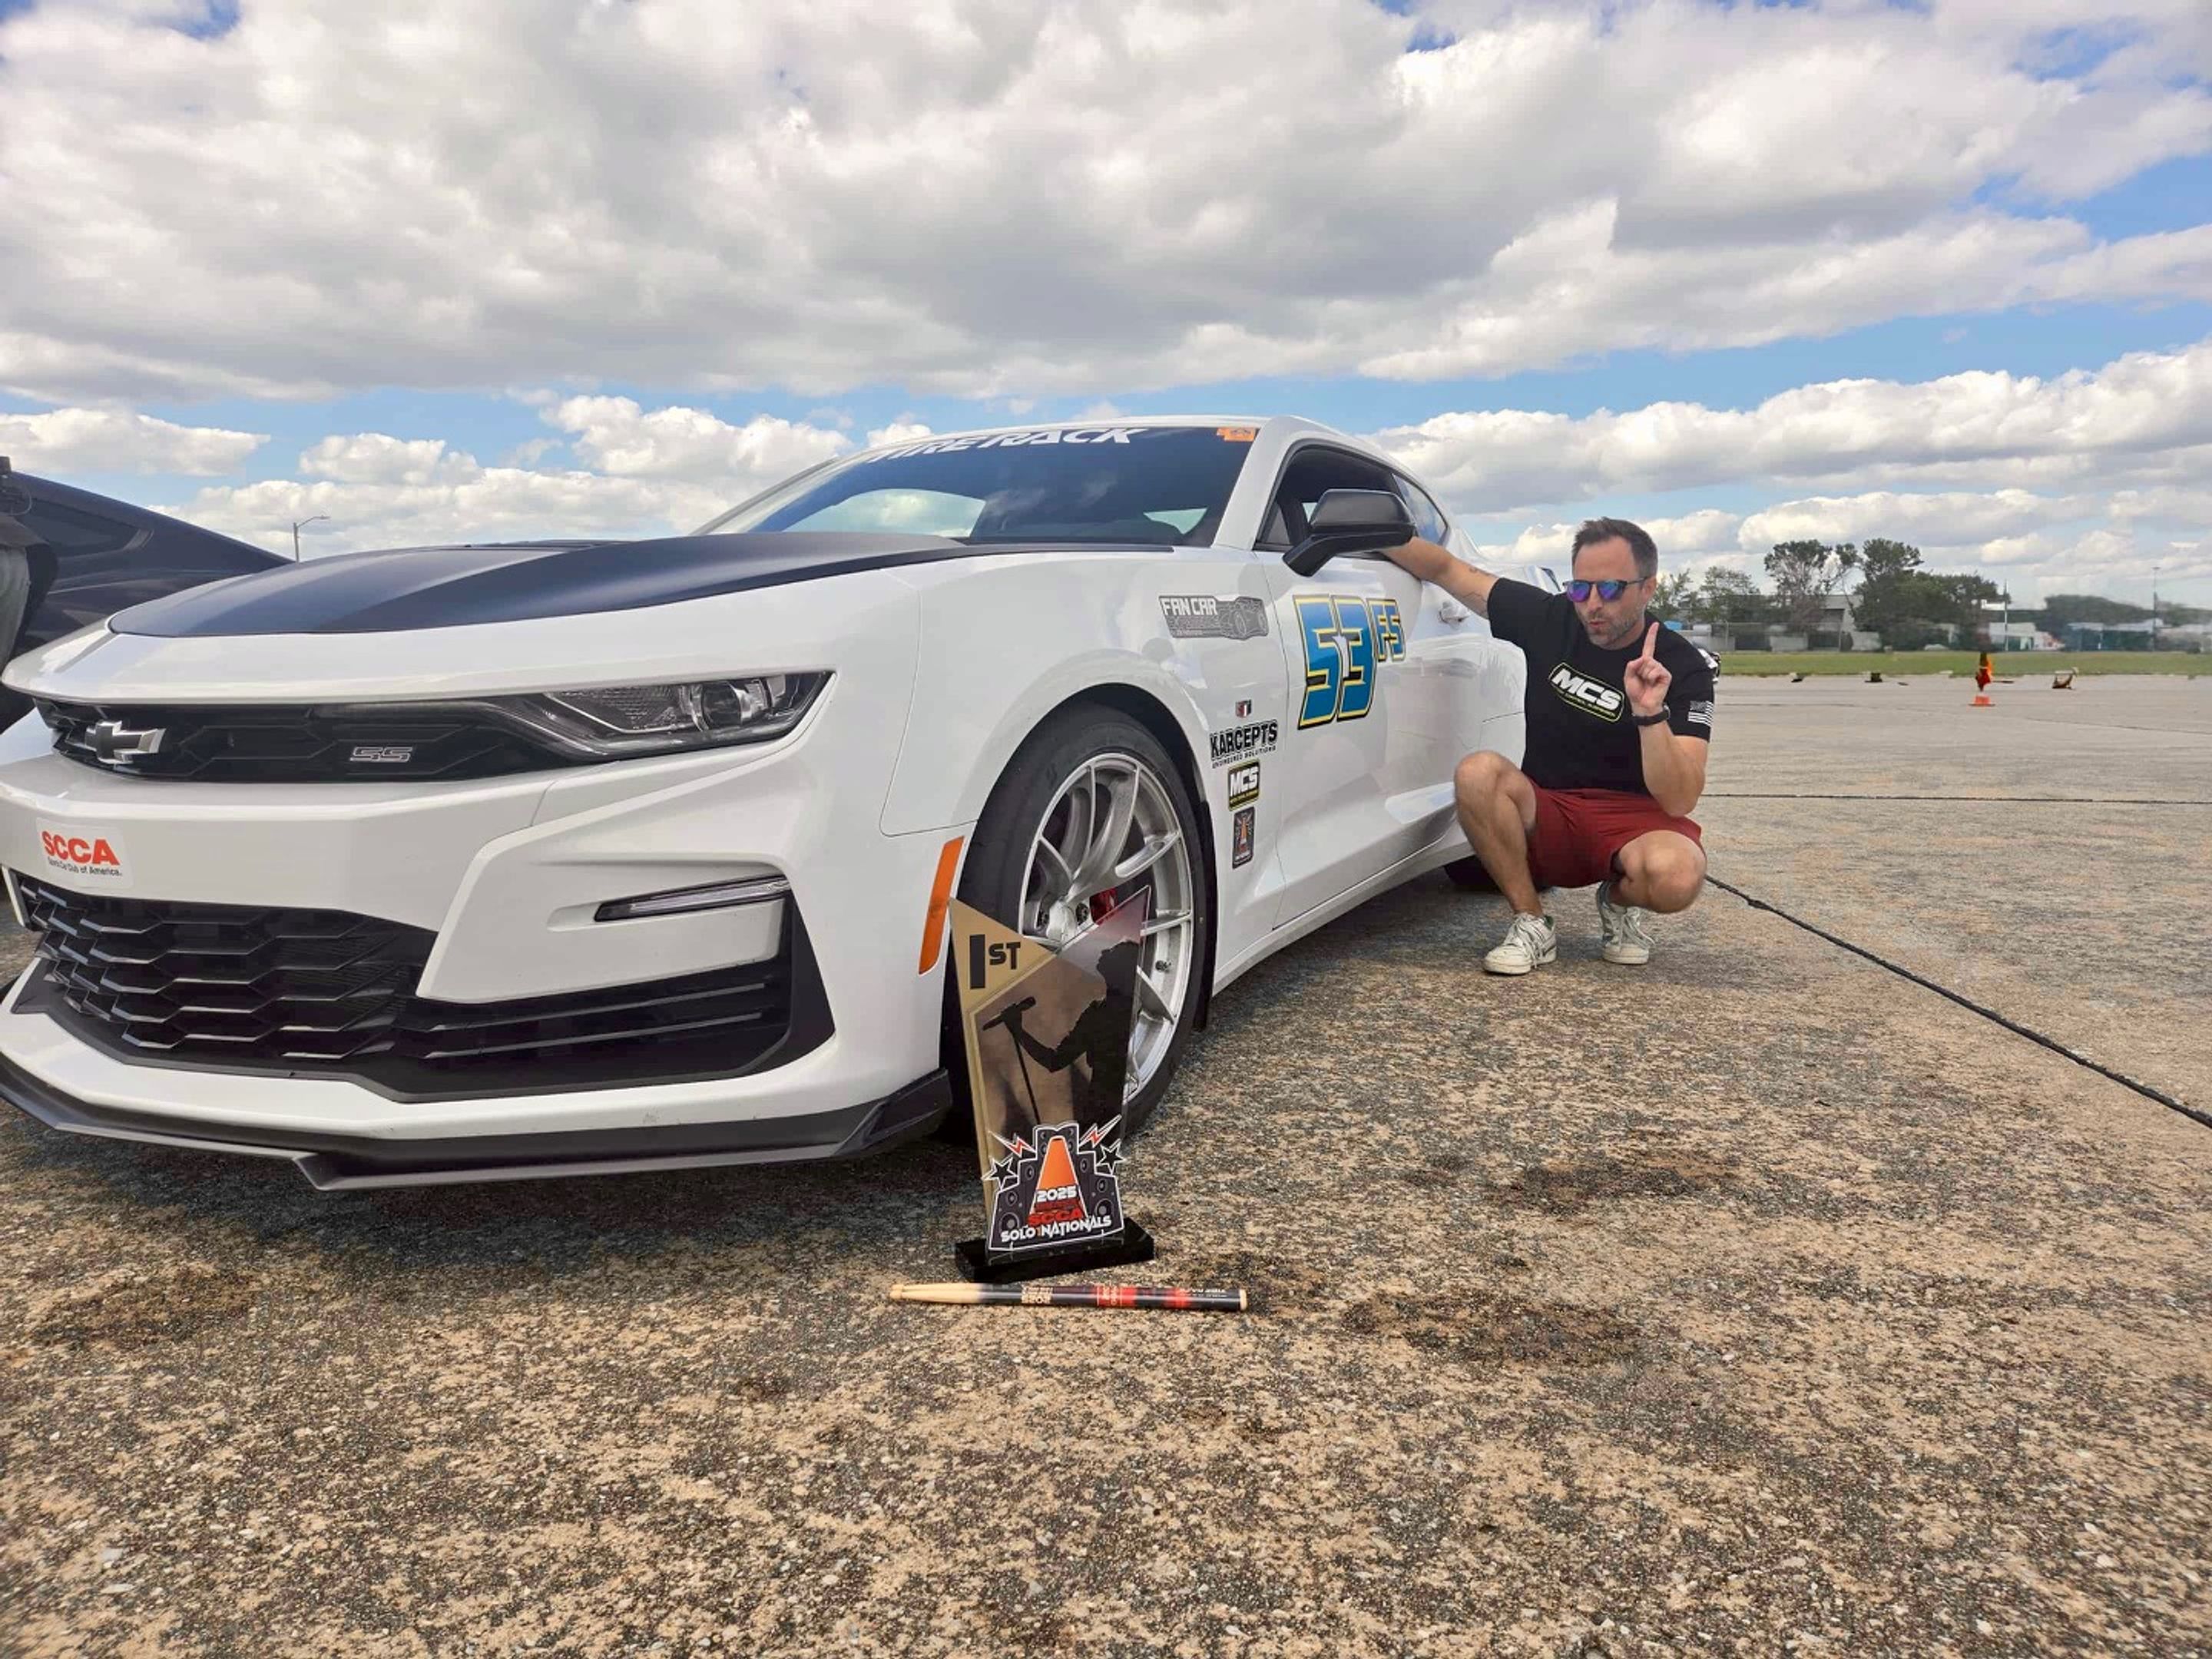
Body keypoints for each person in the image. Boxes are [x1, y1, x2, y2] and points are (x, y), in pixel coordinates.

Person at [1382, 517, 1715, 975]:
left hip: (1635, 818)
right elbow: (1447, 569)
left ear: (1648, 588)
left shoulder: (1683, 666)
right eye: (1580, 589)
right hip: (1551, 807)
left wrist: (1649, 714)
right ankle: (1532, 921)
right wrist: (1368, 533)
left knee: (1677, 877)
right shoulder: (1548, 618)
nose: (1592, 605)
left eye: (1611, 589)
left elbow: (1679, 799)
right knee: (1477, 773)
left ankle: (1619, 901)